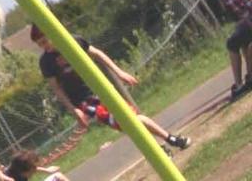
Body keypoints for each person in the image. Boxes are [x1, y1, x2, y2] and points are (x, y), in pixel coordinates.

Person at [30, 26, 191, 150]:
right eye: (39, 45)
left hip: (101, 89)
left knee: (131, 119)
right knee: (128, 123)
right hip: (85, 101)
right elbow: (57, 89)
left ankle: (166, 142)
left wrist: (120, 73)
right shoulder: (46, 62)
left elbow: (98, 54)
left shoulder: (73, 41)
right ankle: (167, 141)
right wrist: (74, 110)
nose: (44, 46)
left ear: (51, 33)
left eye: (44, 41)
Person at [205, 0, 252, 100]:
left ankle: (239, 83)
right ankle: (249, 76)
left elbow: (244, 18)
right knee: (241, 38)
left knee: (232, 43)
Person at [5, 149, 69, 181]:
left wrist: (47, 170)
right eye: (32, 171)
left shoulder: (19, 170)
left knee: (58, 176)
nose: (34, 171)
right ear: (23, 171)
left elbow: (34, 168)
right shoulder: (8, 178)